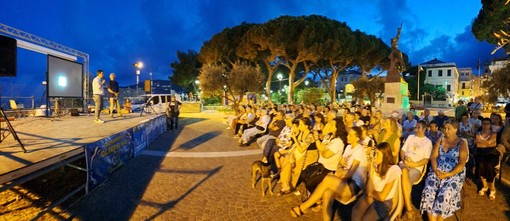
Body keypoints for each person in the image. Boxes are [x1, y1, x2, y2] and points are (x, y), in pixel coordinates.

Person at [290, 127, 368, 220]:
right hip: (344, 180)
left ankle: (304, 207)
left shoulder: (359, 150)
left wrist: (341, 171)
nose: (348, 136)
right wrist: (340, 170)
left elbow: (351, 172)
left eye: (351, 135)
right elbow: (340, 163)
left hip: (354, 185)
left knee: (327, 179)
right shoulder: (348, 147)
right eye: (348, 134)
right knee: (327, 193)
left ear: (357, 138)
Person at [420, 119, 468, 221]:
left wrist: (448, 174)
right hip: (437, 170)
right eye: (444, 128)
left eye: (448, 128)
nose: (445, 131)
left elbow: (462, 162)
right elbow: (433, 157)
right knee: (429, 189)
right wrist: (435, 170)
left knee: (446, 193)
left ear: (455, 129)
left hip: (453, 173)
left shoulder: (461, 143)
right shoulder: (440, 139)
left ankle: (439, 219)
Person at [351, 142, 401, 221]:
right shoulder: (375, 168)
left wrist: (371, 193)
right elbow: (368, 191)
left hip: (384, 202)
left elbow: (382, 197)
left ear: (385, 156)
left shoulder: (393, 169)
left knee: (366, 219)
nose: (375, 157)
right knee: (355, 210)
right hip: (373, 196)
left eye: (378, 154)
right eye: (375, 153)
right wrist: (372, 172)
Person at [400, 121, 433, 219]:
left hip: (416, 167)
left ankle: (405, 209)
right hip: (404, 163)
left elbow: (426, 160)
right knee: (403, 174)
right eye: (415, 127)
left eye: (418, 128)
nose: (416, 130)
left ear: (424, 129)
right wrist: (404, 159)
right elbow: (402, 151)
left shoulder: (427, 142)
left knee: (404, 177)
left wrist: (413, 164)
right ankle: (408, 207)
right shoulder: (411, 137)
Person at [475, 118, 500, 200]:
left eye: (488, 123)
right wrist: (488, 143)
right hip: (481, 153)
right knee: (480, 164)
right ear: (482, 125)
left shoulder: (494, 133)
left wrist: (481, 142)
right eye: (484, 123)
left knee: (489, 165)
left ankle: (492, 188)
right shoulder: (478, 133)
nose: (486, 125)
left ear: (490, 125)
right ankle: (485, 186)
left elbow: (489, 143)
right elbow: (479, 145)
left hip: (492, 154)